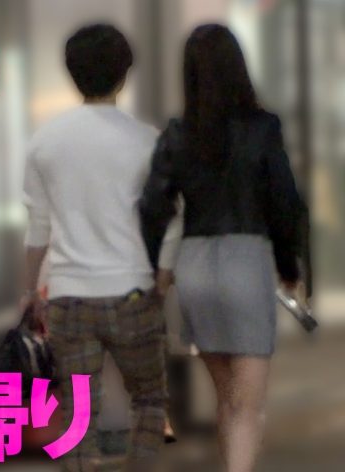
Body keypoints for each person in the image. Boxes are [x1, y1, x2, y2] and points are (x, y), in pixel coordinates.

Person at [140, 24, 305, 472]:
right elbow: (284, 202)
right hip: (246, 262)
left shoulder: (178, 134)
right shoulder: (263, 128)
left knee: (228, 399)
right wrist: (289, 266)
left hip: (195, 266)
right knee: (247, 406)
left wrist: (157, 266)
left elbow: (153, 205)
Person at [21, 24, 179, 471]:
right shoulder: (148, 141)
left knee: (78, 413)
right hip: (133, 291)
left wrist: (29, 292)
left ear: (72, 73)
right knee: (149, 400)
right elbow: (171, 218)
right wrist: (163, 277)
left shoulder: (45, 142)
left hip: (69, 296)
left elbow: (37, 229)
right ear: (124, 73)